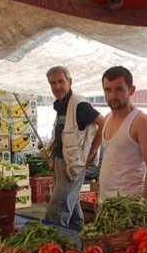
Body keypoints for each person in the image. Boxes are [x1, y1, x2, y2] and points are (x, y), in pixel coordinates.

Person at [43, 66, 103, 230]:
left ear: (70, 82)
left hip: (72, 164)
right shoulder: (62, 104)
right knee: (71, 201)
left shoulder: (80, 105)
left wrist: (93, 150)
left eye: (61, 82)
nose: (57, 86)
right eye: (53, 83)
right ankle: (78, 233)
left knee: (59, 206)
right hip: (60, 161)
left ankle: (54, 237)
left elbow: (103, 123)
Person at [97, 66, 147, 201]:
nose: (113, 96)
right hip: (106, 203)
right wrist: (99, 197)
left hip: (129, 205)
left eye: (119, 89)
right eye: (108, 90)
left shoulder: (141, 122)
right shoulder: (107, 118)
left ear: (131, 90)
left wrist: (144, 205)